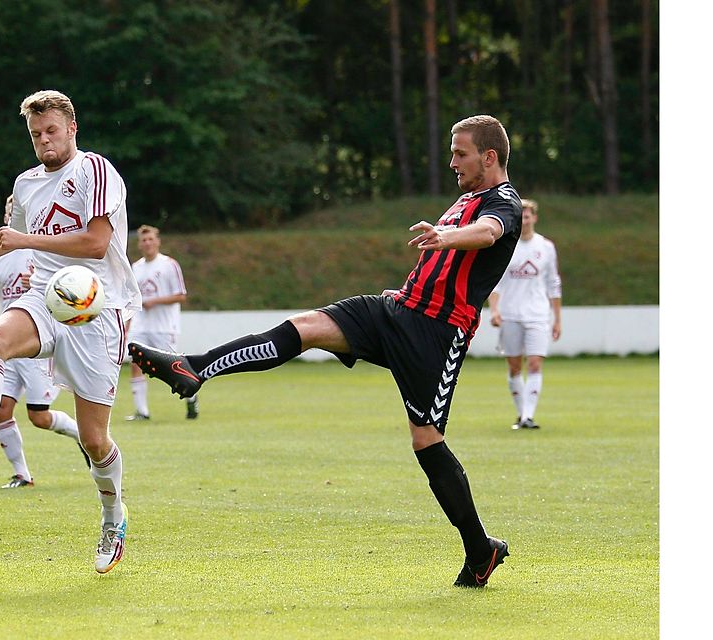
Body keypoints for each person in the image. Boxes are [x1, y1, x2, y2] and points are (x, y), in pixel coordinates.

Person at [130, 115, 521, 588]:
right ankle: (193, 368)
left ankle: (479, 551)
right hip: (394, 309)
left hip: (435, 336)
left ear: (489, 157)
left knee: (426, 440)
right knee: (305, 326)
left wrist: (447, 237)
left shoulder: (504, 202)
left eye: (460, 153)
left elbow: (489, 233)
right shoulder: (465, 197)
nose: (452, 161)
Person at [0, 89, 140, 574]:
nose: (43, 140)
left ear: (71, 129)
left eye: (51, 131)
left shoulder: (95, 170)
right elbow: (6, 242)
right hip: (45, 294)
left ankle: (112, 517)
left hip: (95, 309)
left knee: (94, 438)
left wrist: (24, 240)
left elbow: (96, 242)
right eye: (35, 133)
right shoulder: (25, 184)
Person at [0, 194, 91, 489]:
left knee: (39, 417)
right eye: (9, 209)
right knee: (1, 410)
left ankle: (83, 436)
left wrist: (45, 282)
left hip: (36, 342)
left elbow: (71, 292)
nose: (13, 213)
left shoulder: (43, 250)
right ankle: (22, 474)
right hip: (7, 346)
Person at [487, 199, 562, 430]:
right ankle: (521, 414)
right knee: (514, 366)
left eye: (528, 216)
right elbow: (495, 283)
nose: (524, 220)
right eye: (521, 216)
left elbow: (553, 283)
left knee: (535, 363)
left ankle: (528, 416)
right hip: (510, 314)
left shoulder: (546, 247)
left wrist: (557, 318)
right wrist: (495, 309)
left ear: (534, 218)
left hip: (538, 314)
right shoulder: (506, 247)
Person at [125, 224, 198, 421]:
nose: (147, 243)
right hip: (142, 325)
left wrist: (154, 301)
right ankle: (142, 411)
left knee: (173, 367)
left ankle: (191, 397)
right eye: (143, 240)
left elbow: (181, 295)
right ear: (139, 244)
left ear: (158, 241)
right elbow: (133, 299)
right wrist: (127, 325)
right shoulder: (136, 267)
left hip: (164, 326)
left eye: (151, 239)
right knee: (136, 362)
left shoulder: (169, 264)